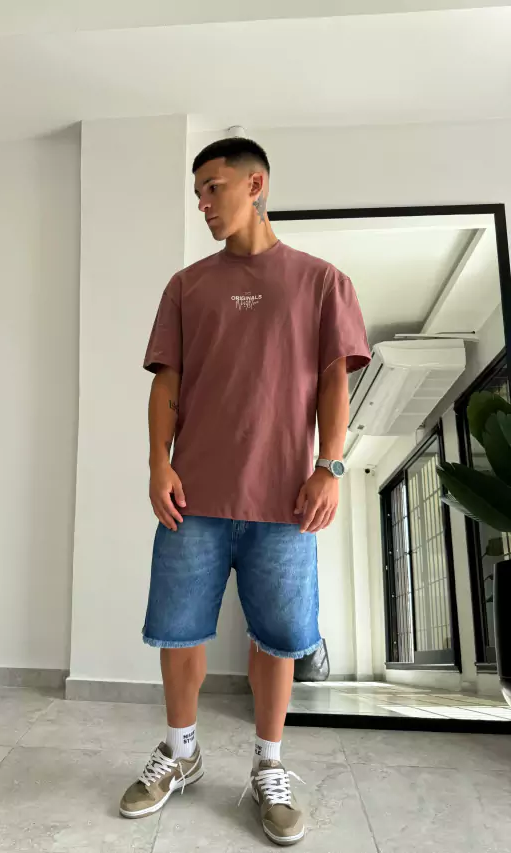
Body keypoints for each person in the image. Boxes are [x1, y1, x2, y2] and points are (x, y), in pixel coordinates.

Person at [119, 137, 370, 846]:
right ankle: (181, 751)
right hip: (192, 498)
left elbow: (334, 382)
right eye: (197, 192)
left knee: (278, 639)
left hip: (284, 502)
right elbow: (166, 383)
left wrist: (330, 467)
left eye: (214, 187)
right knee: (178, 631)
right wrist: (157, 464)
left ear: (255, 185)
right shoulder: (186, 287)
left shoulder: (321, 281)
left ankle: (268, 765)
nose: (203, 203)